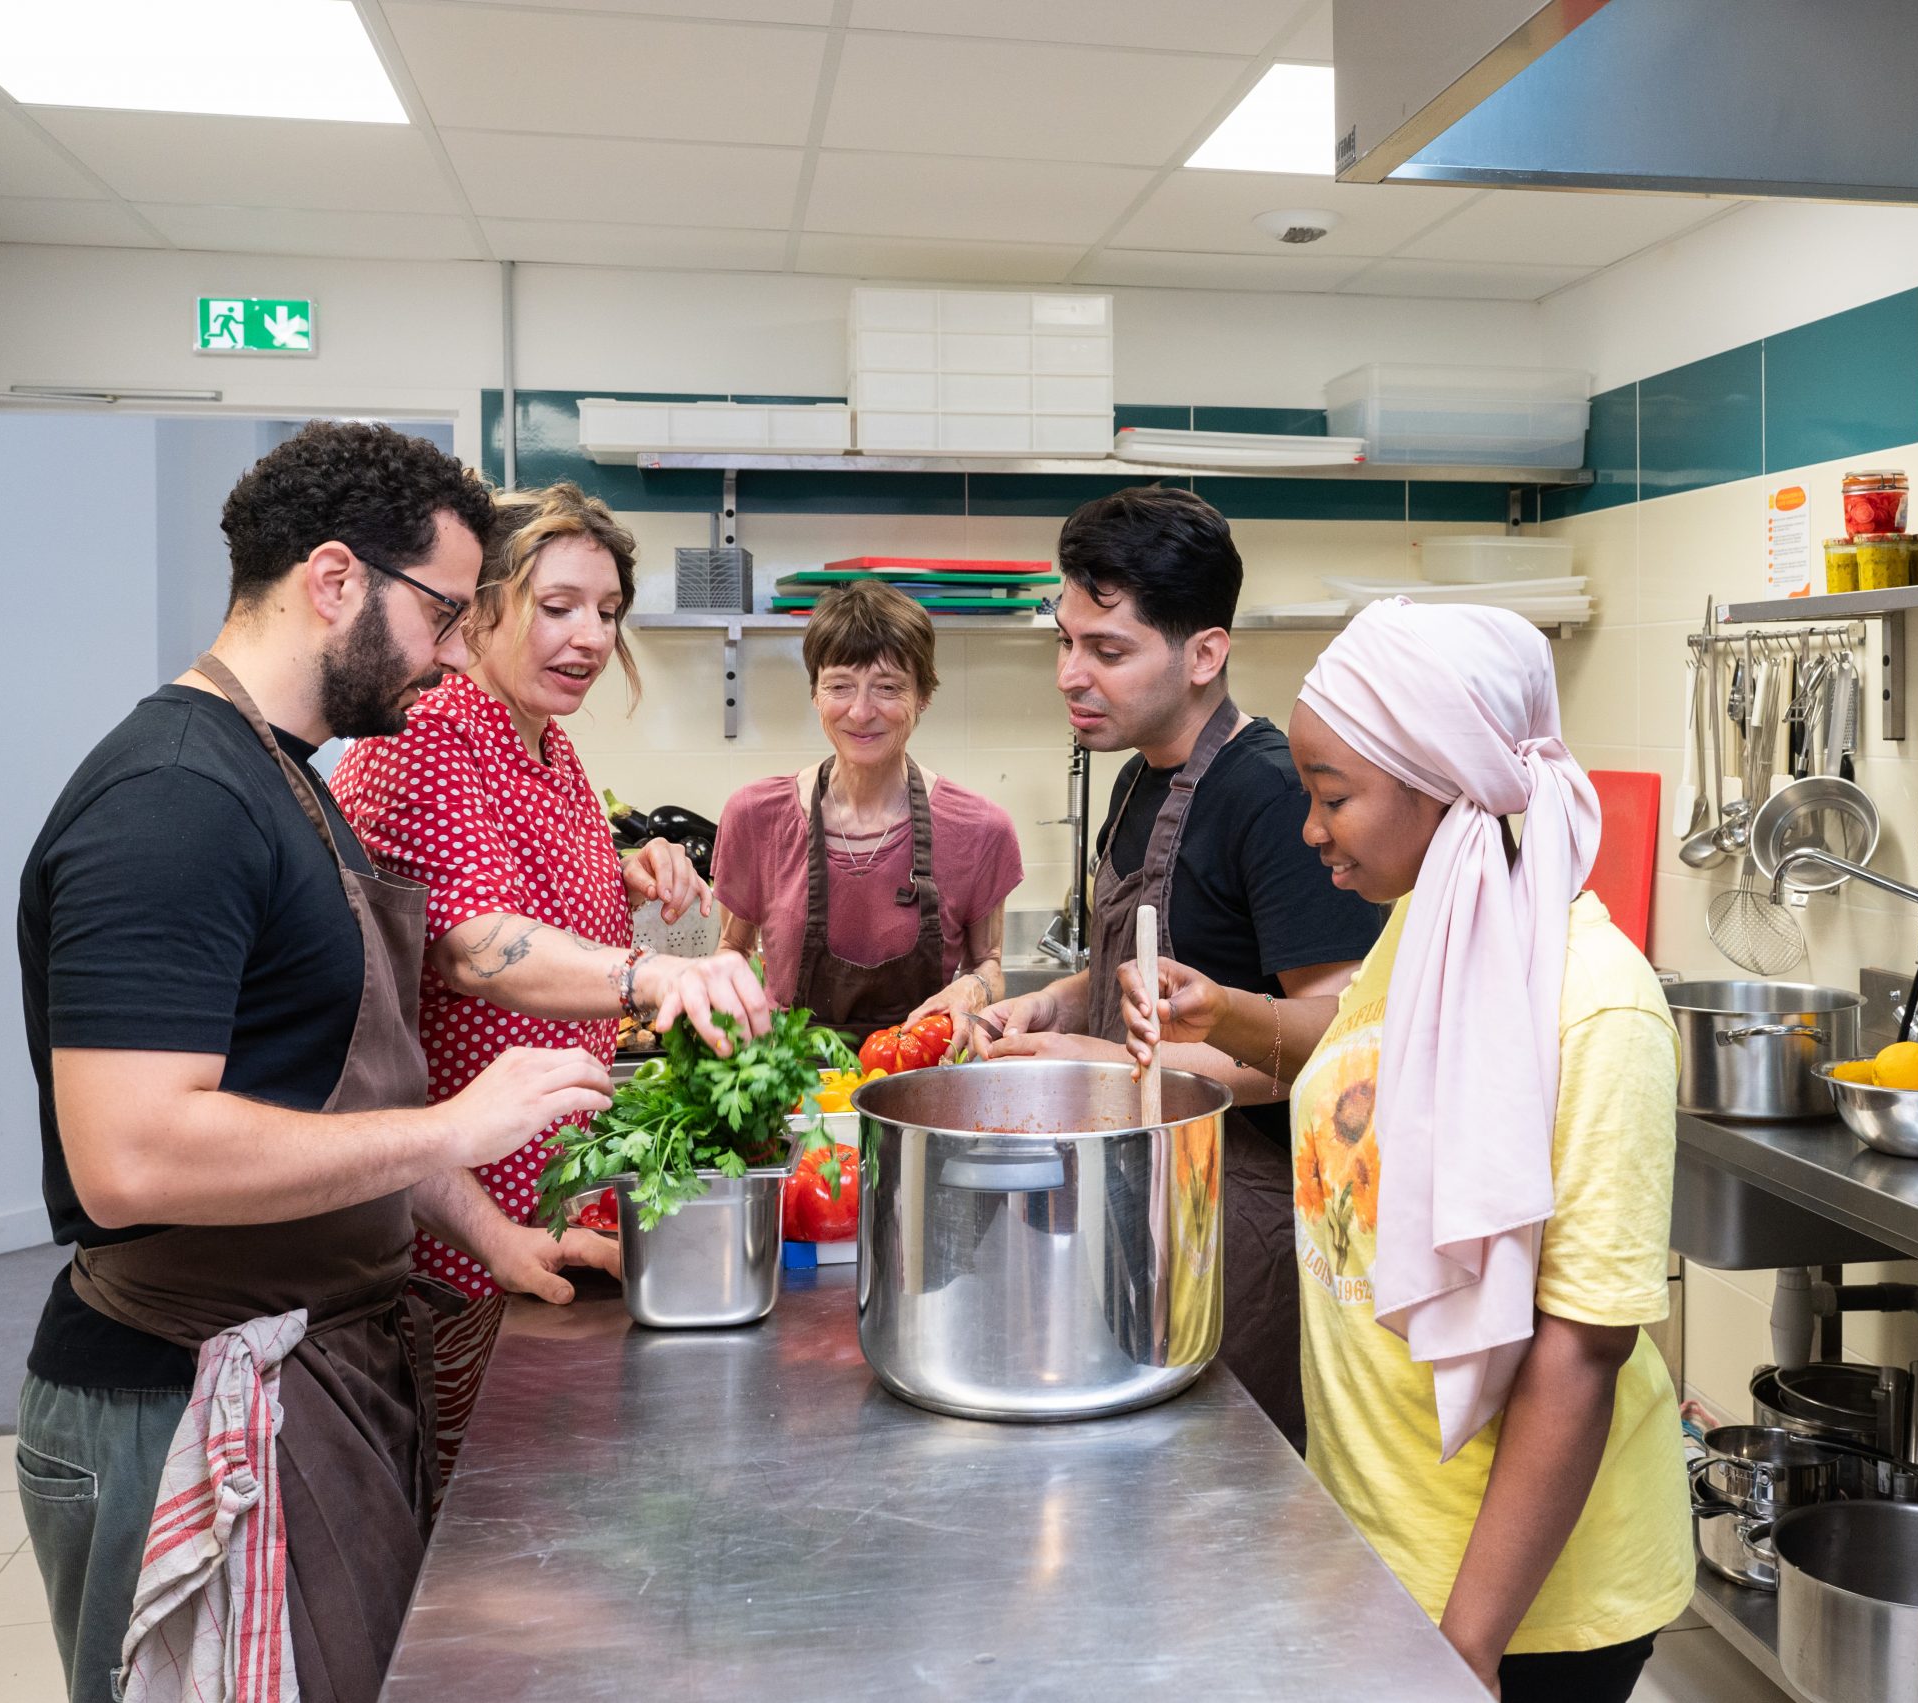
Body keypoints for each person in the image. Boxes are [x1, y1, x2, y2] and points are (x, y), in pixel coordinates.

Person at [15, 422, 618, 1703]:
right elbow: (131, 1155)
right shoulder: (174, 797)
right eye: (447, 614)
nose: (459, 651)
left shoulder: (288, 779)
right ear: (336, 581)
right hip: (169, 1397)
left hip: (306, 1368)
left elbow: (338, 1088)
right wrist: (459, 1131)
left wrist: (494, 1236)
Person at [1121, 599, 1692, 1701]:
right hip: (1374, 1545)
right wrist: (1224, 1010)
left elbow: (1581, 1353)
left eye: (1334, 797)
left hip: (1524, 1609)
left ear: (1446, 782)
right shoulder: (1433, 921)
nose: (1309, 829)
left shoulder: (1593, 1004)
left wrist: (1467, 1644)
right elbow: (1356, 1056)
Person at [330, 481, 770, 1481]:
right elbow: (475, 945)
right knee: (469, 1521)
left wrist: (624, 861)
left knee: (549, 1496)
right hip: (453, 1230)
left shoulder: (546, 742)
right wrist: (654, 971)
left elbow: (503, 875)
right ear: (479, 602)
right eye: (557, 604)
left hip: (543, 1209)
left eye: (608, 612)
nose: (588, 638)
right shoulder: (431, 734)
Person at [977, 486, 1384, 1451]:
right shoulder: (1135, 773)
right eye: (1066, 641)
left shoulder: (1274, 793)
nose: (1073, 674)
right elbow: (1138, 971)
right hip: (1142, 1187)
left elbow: (1338, 1047)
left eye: (1107, 651)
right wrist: (1054, 1004)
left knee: (1227, 1485)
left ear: (1205, 653)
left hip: (1242, 1215)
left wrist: (1104, 1069)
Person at [711, 579, 1023, 1035]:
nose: (860, 711)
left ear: (923, 697)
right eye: (840, 685)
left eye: (887, 687)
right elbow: (731, 949)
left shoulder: (981, 830)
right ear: (815, 694)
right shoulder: (756, 817)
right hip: (791, 1087)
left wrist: (974, 989)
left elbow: (989, 965)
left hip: (919, 1084)